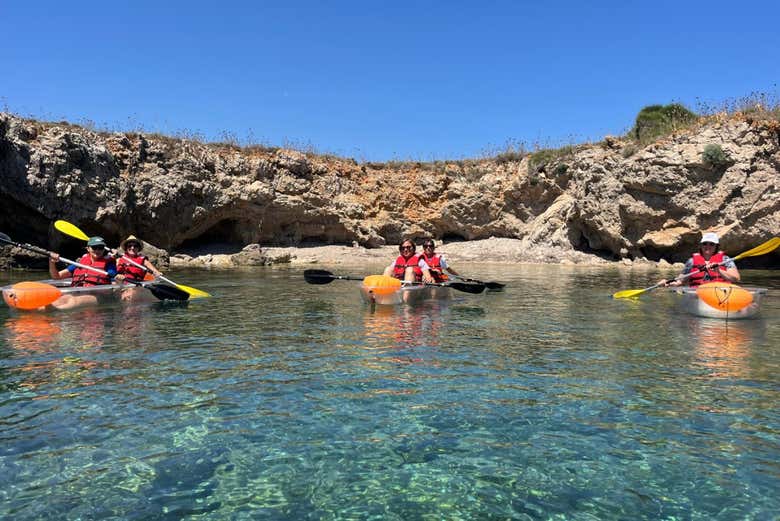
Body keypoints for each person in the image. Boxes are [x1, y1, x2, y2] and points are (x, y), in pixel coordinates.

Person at [47, 236, 117, 309]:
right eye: (94, 247)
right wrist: (51, 262)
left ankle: (52, 315)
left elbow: (114, 277)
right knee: (58, 301)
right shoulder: (80, 263)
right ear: (88, 249)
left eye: (100, 247)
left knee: (73, 301)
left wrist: (116, 259)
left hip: (98, 296)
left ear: (104, 249)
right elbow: (56, 276)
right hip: (77, 293)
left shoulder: (109, 264)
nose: (97, 250)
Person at [660, 232, 740, 287]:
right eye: (705, 243)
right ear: (701, 245)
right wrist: (667, 283)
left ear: (716, 246)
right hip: (698, 294)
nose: (707, 246)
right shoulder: (691, 261)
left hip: (721, 293)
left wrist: (719, 271)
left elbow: (736, 278)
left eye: (711, 244)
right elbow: (680, 281)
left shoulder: (725, 259)